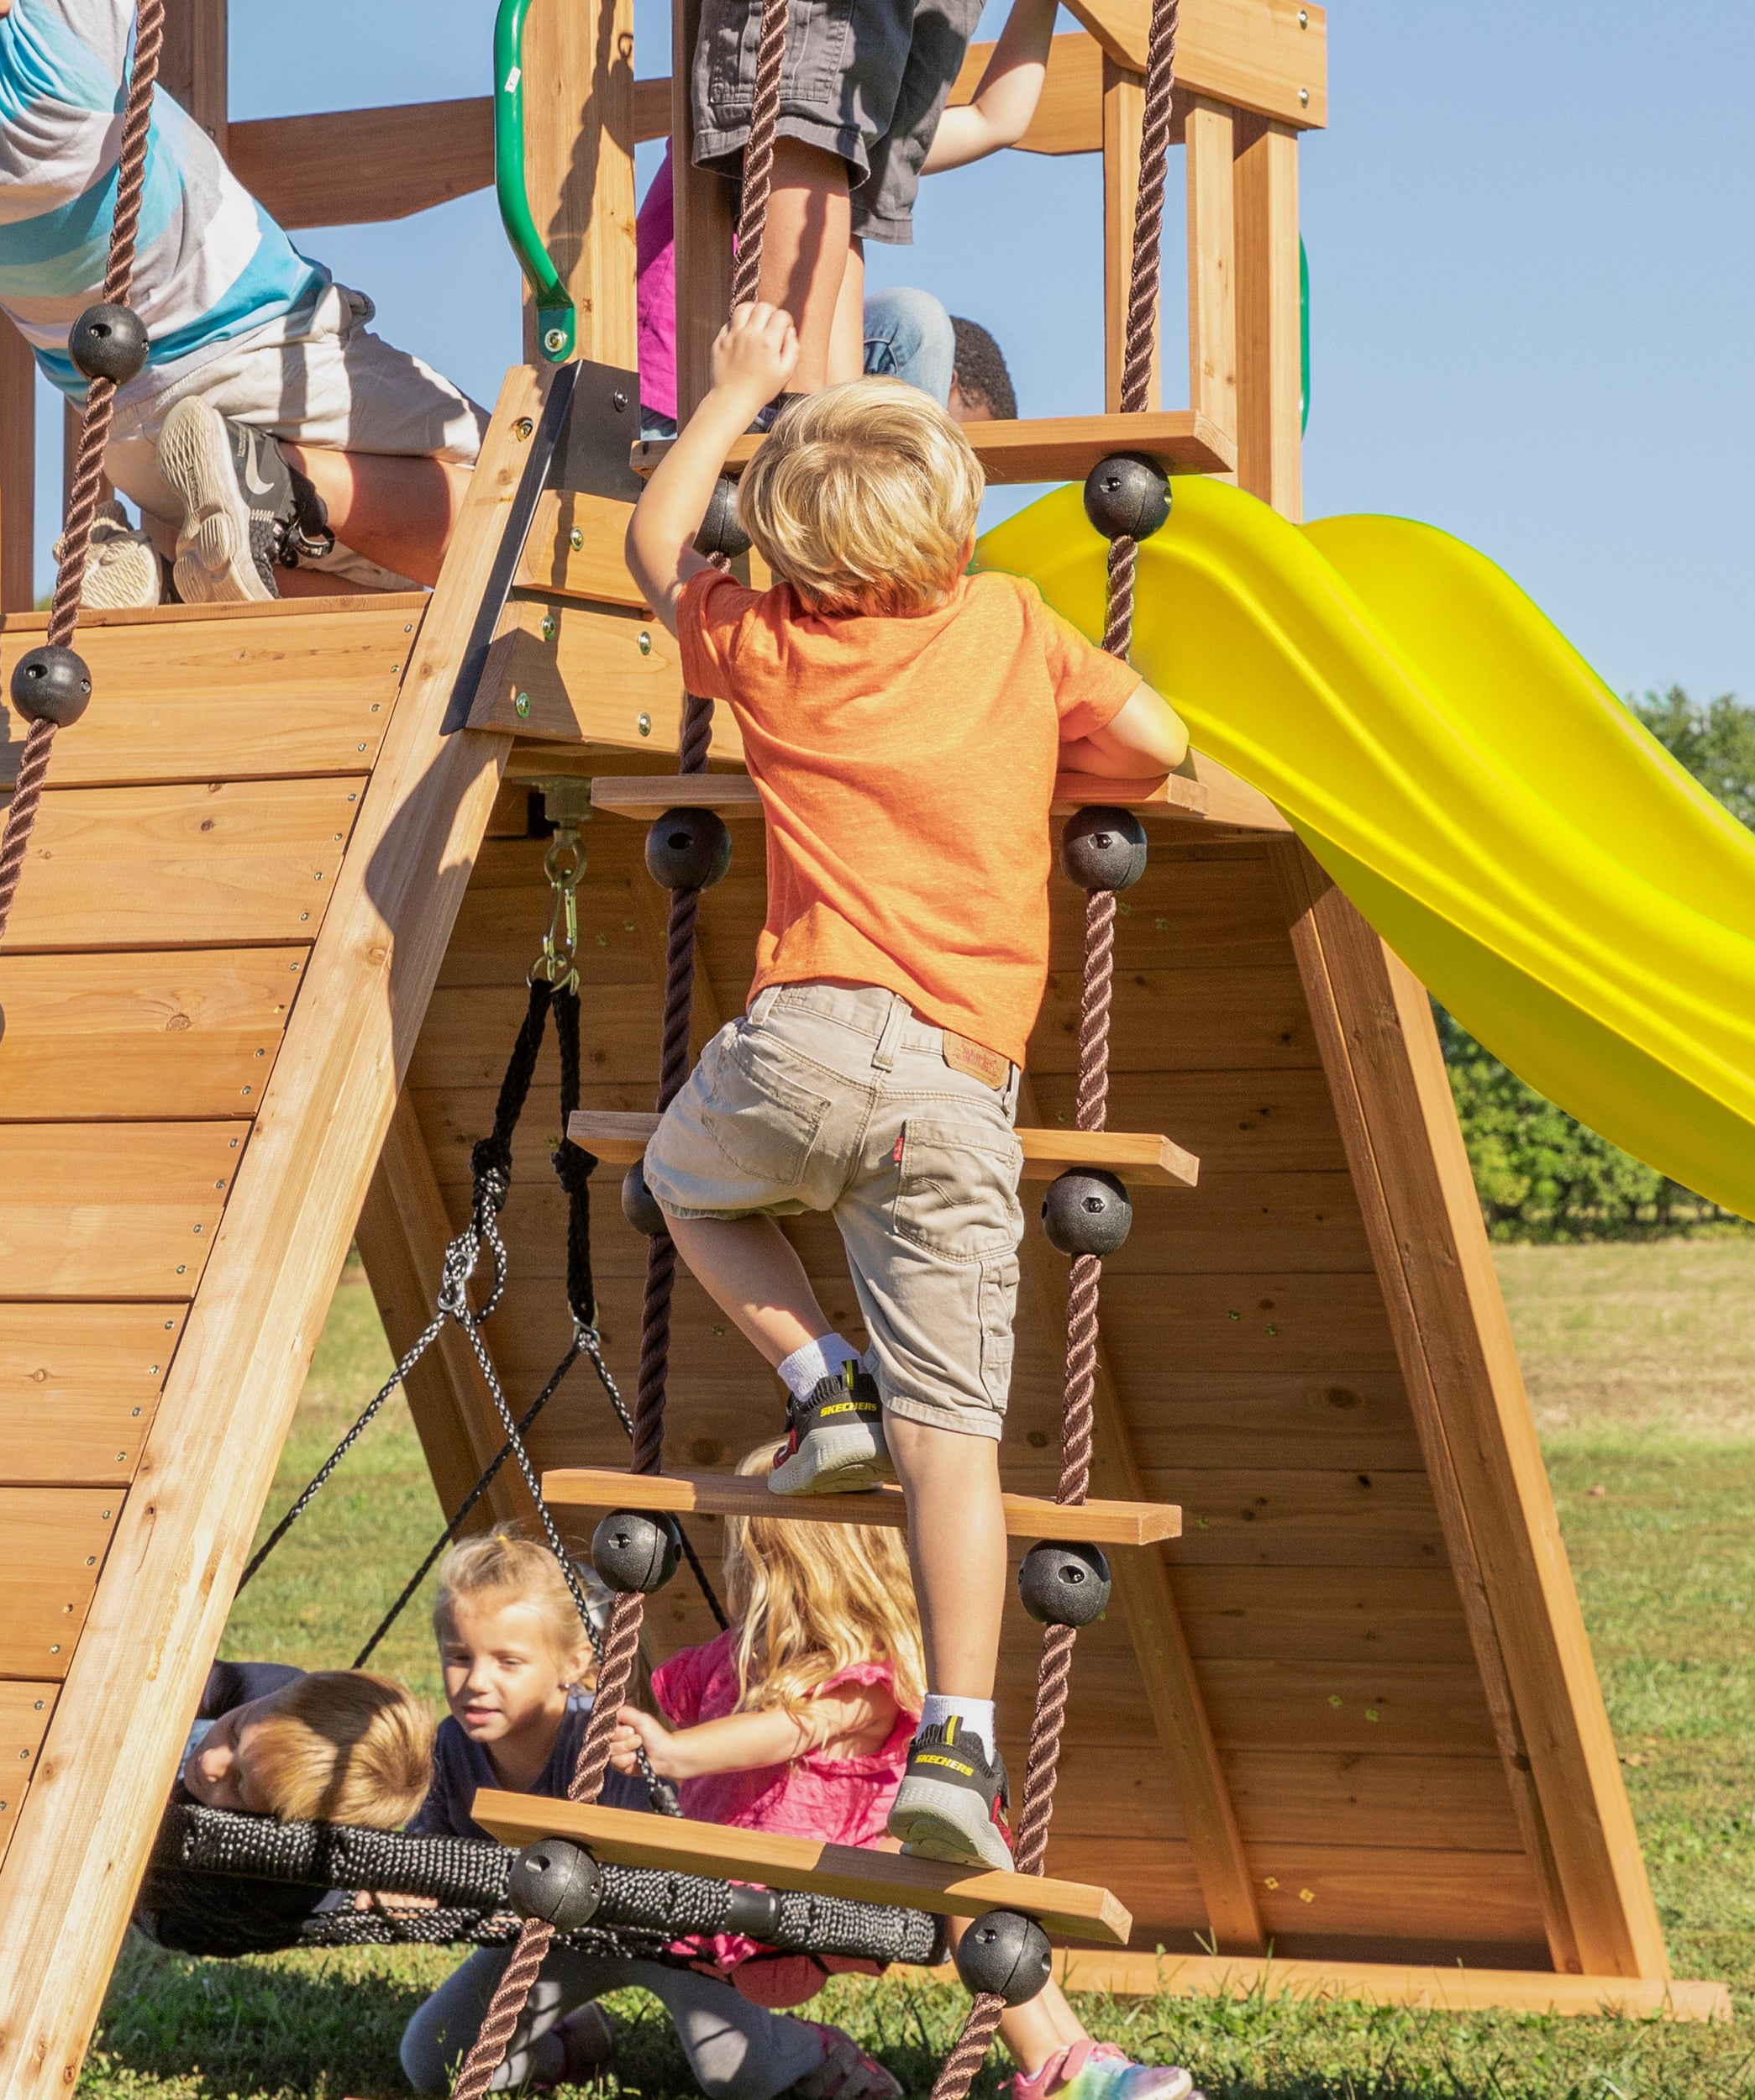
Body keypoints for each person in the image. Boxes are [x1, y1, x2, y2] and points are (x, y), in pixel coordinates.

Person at [622, 308, 1189, 1873]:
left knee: (685, 1181)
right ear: (953, 521)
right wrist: (1047, 769)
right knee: (962, 1441)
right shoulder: (1011, 630)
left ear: (790, 544)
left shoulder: (768, 641)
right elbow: (1158, 740)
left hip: (799, 1037)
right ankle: (958, 1738)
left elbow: (655, 534)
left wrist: (736, 386)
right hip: (955, 1080)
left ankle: (819, 1387)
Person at [612, 1447, 1195, 2100]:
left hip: (830, 1879)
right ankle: (1060, 2070)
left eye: (750, 1554)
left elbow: (790, 1728)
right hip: (753, 1898)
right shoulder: (729, 1661)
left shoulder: (867, 1683)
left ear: (792, 1570)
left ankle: (1068, 2057)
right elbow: (663, 1703)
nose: (737, 1570)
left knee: (961, 1852)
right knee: (957, 1860)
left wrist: (675, 1753)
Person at [0, 0, 485, 606]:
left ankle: (175, 576)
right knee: (522, 496)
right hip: (256, 356)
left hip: (131, 439)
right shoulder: (50, 49)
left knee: (357, 570)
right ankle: (275, 481)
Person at [399, 1525, 900, 2100]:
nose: (476, 1683)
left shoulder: (605, 1741)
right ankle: (570, 2044)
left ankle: (813, 2050)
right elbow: (432, 1851)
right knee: (434, 2060)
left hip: (670, 1937)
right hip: (553, 1936)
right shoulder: (451, 1747)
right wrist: (409, 1886)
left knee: (739, 2078)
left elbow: (681, 1842)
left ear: (574, 1663)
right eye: (458, 1657)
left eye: (507, 1662)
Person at [640, 0, 1056, 430]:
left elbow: (998, 121)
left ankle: (842, 447)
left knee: (915, 320)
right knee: (809, 120)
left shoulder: (842, 150)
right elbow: (805, 113)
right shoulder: (786, 117)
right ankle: (813, 430)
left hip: (785, 373)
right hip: (680, 377)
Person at [134, 1660, 434, 1955]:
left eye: (238, 1785)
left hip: (178, 1899)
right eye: (235, 1733)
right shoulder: (273, 1691)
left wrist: (378, 1885)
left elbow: (332, 1887)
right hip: (180, 1765)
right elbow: (169, 1677)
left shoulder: (286, 1883)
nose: (211, 1761)